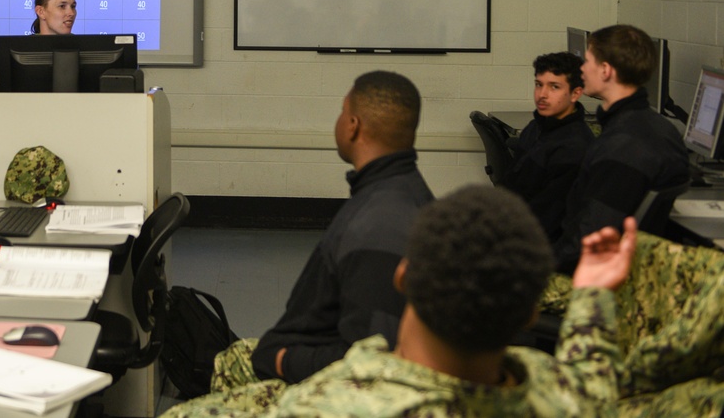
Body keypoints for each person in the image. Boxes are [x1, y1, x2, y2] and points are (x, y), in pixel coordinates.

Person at [162, 186, 633, 418]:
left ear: (403, 276)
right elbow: (593, 370)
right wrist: (591, 293)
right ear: (532, 311)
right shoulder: (568, 397)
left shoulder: (325, 405)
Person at [212, 71, 435, 393]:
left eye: (343, 111)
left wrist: (282, 360)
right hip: (316, 344)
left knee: (227, 369)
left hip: (329, 383)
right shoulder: (403, 190)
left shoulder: (377, 226)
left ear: (353, 125)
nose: (340, 119)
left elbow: (370, 362)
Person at [552, 24, 688, 274]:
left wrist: (537, 268)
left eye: (588, 60)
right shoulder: (656, 127)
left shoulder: (624, 146)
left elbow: (590, 242)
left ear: (605, 70)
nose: (581, 67)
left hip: (589, 279)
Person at [499, 51, 595, 242]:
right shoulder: (536, 127)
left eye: (554, 87)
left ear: (576, 93)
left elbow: (545, 219)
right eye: (538, 85)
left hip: (534, 245)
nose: (542, 95)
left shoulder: (573, 149)